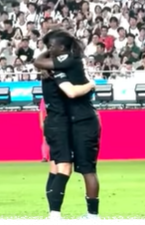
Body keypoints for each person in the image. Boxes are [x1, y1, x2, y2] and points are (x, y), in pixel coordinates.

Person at [34, 29, 102, 220]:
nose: (49, 49)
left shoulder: (67, 62)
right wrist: (91, 84)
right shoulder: (64, 67)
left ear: (62, 48)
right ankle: (65, 215)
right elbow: (40, 62)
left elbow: (70, 91)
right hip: (70, 122)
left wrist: (90, 85)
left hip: (79, 121)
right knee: (65, 168)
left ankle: (82, 216)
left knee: (72, 169)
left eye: (51, 46)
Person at [39, 97, 50, 162]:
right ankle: (44, 157)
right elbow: (41, 111)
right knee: (45, 139)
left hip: (58, 119)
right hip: (47, 120)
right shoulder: (44, 98)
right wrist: (41, 122)